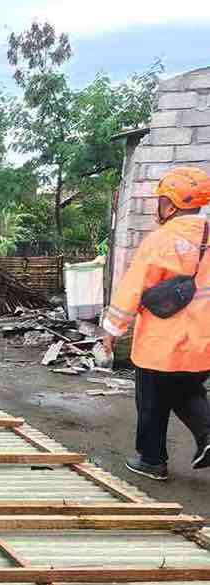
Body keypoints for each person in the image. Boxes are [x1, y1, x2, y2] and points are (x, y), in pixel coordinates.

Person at [100, 166, 210, 481]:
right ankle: (207, 437)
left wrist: (111, 331)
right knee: (187, 389)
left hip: (161, 344)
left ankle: (151, 460)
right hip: (202, 345)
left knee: (152, 401)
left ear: (171, 205)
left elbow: (132, 290)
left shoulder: (161, 241)